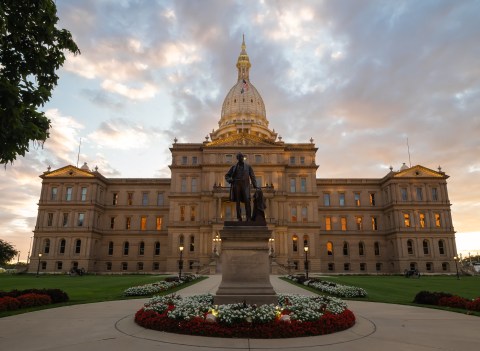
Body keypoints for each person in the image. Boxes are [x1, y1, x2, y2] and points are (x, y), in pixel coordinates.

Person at [225, 152, 257, 221]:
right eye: (240, 157)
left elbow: (252, 176)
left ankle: (248, 217)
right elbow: (227, 176)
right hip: (236, 184)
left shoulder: (248, 166)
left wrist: (255, 186)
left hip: (245, 185)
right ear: (237, 158)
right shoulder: (233, 167)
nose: (241, 158)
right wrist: (230, 180)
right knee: (238, 202)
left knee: (247, 201)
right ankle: (239, 218)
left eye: (242, 157)